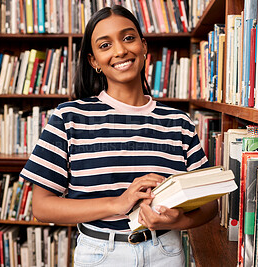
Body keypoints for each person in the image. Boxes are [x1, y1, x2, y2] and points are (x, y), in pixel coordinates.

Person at [19, 5, 217, 266]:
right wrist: (119, 203)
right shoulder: (69, 118)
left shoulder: (177, 122)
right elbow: (42, 207)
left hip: (166, 251)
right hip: (101, 253)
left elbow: (209, 205)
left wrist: (178, 220)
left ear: (144, 46)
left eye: (128, 38)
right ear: (93, 61)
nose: (120, 50)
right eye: (105, 45)